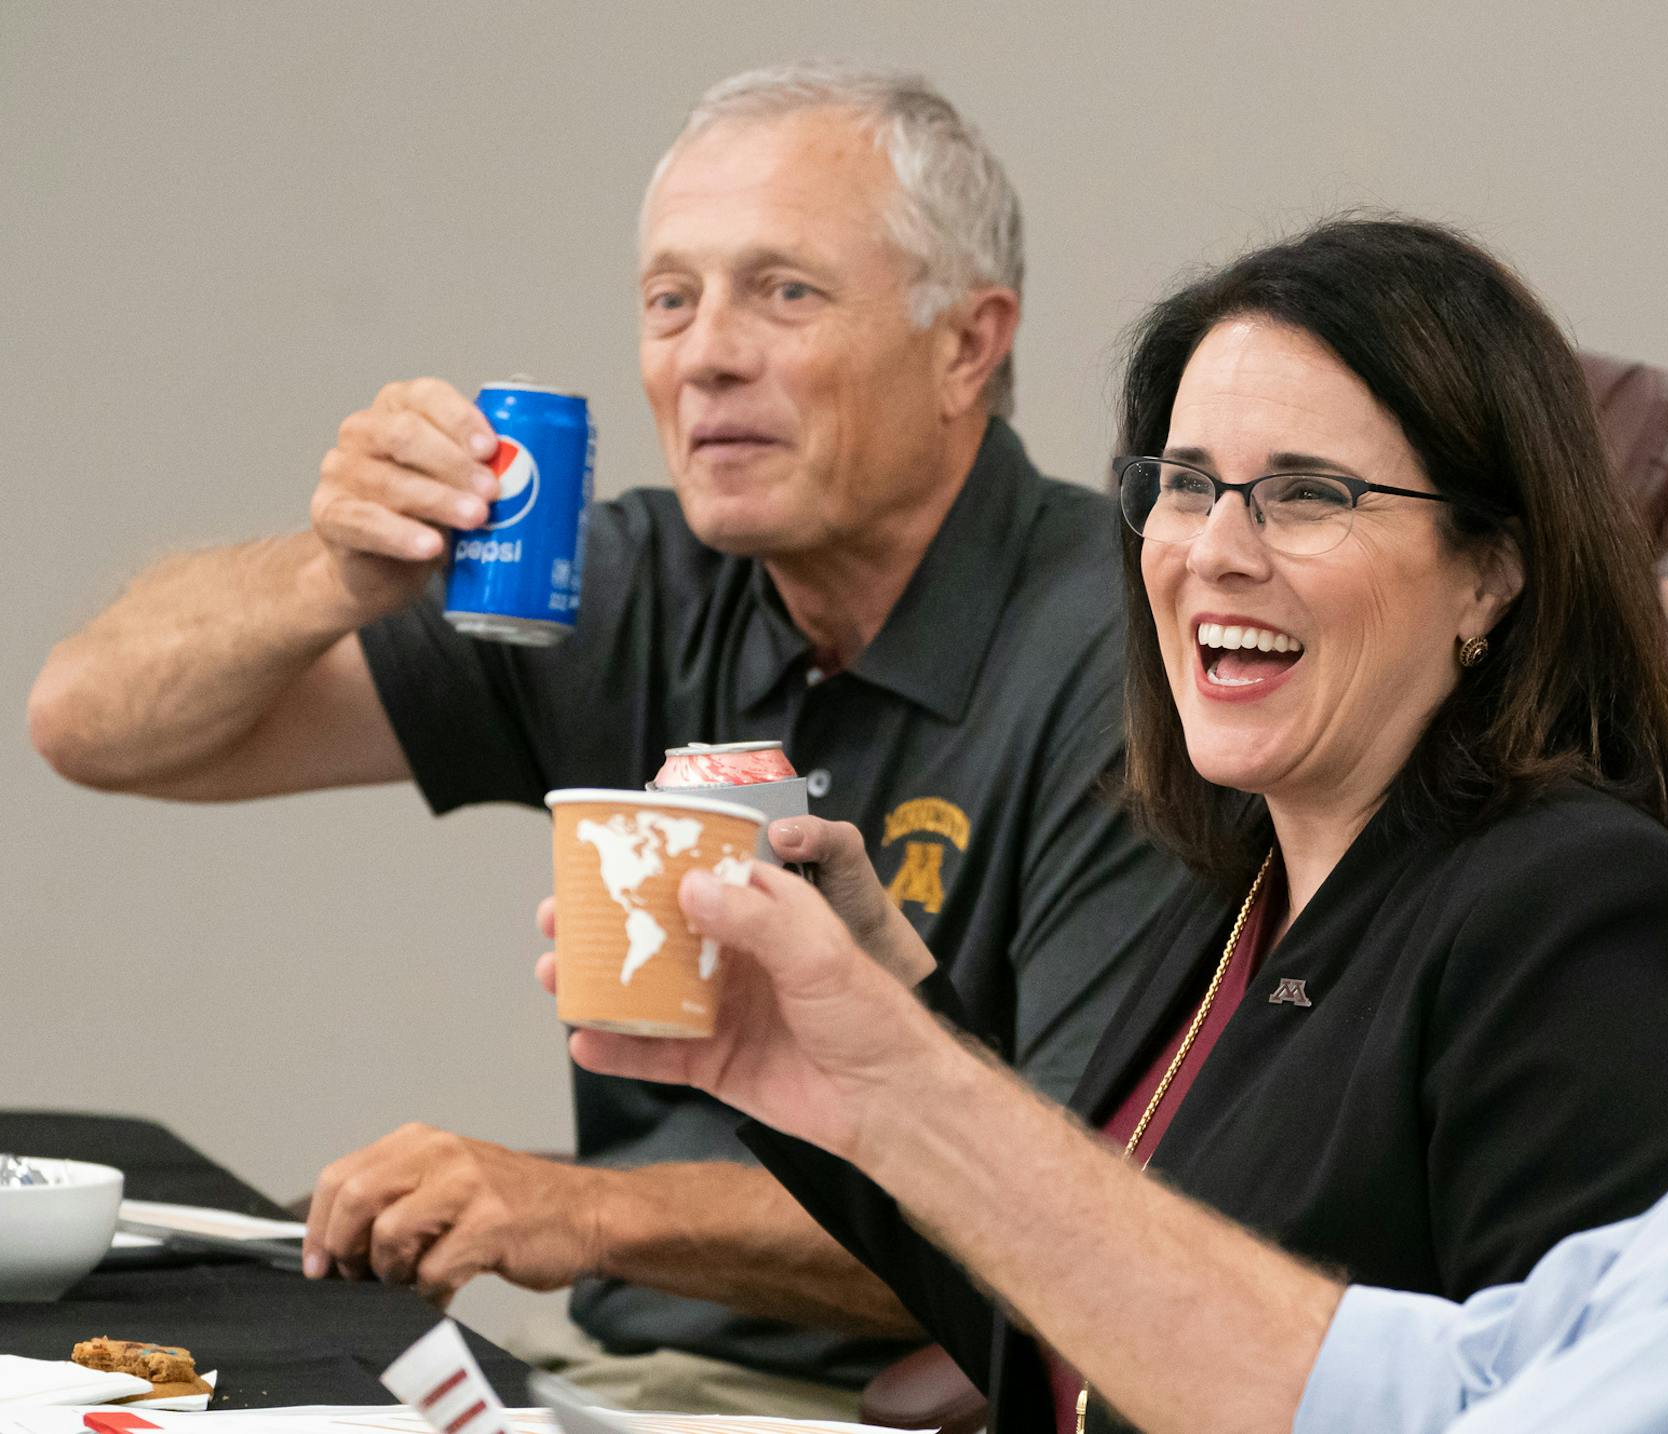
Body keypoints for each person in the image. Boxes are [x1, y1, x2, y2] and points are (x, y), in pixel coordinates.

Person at [561, 257, 1668, 1434]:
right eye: (1185, 485)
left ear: (1489, 576)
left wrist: (897, 1077)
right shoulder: (1252, 885)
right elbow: (1219, 1346)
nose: (1216, 552)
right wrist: (861, 1041)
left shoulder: (1593, 920)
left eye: (1308, 494)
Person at [27, 62, 1185, 1418]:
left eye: (786, 291)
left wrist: (579, 1213)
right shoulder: (644, 579)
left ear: (968, 344)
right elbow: (93, 723)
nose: (706, 353)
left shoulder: (1123, 654)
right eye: (669, 299)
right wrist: (329, 576)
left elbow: (1088, 1220)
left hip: (897, 1400)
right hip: (608, 1384)